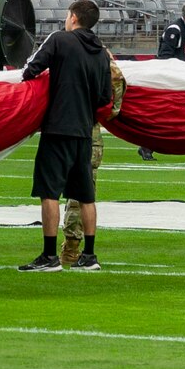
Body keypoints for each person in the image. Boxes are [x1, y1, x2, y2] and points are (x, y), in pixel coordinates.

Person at [18, 0, 116, 272]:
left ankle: (49, 256)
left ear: (73, 17)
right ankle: (90, 256)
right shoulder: (101, 52)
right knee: (86, 196)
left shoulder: (60, 39)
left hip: (58, 127)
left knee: (49, 192)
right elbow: (104, 97)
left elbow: (30, 70)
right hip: (85, 131)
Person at [61, 59, 122, 267]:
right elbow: (113, 108)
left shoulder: (68, 55)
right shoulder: (102, 61)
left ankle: (71, 247)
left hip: (70, 131)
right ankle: (73, 248)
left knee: (77, 197)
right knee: (82, 196)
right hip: (87, 134)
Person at [142, 1, 185, 162]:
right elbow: (164, 55)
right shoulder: (174, 30)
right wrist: (172, 75)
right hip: (175, 80)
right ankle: (147, 146)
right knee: (167, 116)